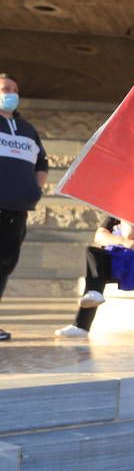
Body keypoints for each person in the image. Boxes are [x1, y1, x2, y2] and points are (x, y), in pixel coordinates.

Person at [54, 216, 134, 337]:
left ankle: (82, 325)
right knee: (93, 255)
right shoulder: (115, 212)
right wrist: (122, 241)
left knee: (98, 272)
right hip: (120, 258)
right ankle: (87, 311)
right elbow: (99, 236)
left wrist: (121, 225)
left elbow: (130, 233)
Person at [0, 73, 48, 342]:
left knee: (4, 266)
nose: (11, 93)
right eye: (5, 88)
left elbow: (42, 163)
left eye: (15, 89)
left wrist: (35, 190)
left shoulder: (28, 129)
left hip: (17, 211)